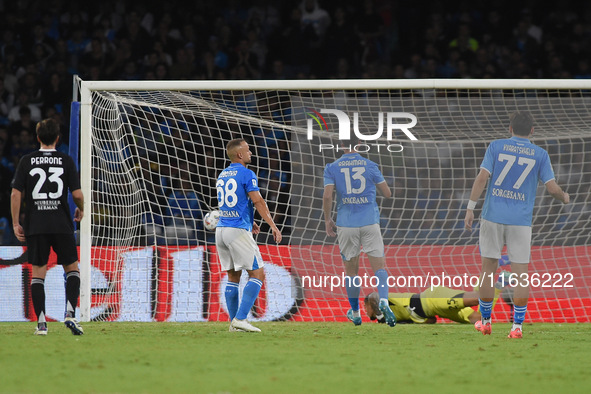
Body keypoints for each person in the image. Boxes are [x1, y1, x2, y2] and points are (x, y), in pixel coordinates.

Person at [464, 111, 569, 339]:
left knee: (488, 272)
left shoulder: (496, 146)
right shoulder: (540, 154)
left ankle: (485, 321)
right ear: (532, 130)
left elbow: (482, 177)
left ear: (509, 128)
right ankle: (517, 327)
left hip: (492, 217)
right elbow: (552, 189)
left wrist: (470, 207)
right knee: (521, 274)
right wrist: (565, 197)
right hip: (520, 222)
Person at [11, 118, 84, 336]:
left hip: (37, 225)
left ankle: (42, 324)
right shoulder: (66, 160)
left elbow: (16, 193)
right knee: (72, 269)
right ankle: (70, 314)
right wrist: (81, 208)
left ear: (38, 137)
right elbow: (78, 194)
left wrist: (15, 222)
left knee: (38, 274)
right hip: (61, 224)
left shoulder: (26, 160)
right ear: (58, 138)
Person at [323, 140, 396, 327]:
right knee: (380, 267)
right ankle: (384, 302)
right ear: (360, 144)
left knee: (351, 272)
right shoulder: (370, 165)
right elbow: (387, 193)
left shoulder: (332, 167)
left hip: (346, 223)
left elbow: (327, 195)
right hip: (370, 221)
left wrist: (327, 219)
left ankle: (355, 313)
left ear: (340, 146)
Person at [216, 138, 282, 332]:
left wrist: (248, 218)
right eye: (248, 150)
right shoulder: (247, 173)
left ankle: (234, 324)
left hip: (222, 229)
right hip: (237, 231)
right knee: (258, 273)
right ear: (239, 154)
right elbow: (258, 201)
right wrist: (273, 226)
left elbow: (231, 202)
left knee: (233, 276)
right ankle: (241, 318)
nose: (251, 152)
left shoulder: (223, 174)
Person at [364, 271, 513, 324]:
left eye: (365, 309)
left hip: (432, 298)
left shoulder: (382, 302)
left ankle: (489, 270)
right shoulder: (390, 319)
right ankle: (499, 284)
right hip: (436, 310)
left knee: (476, 298)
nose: (365, 312)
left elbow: (372, 296)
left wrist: (379, 315)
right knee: (479, 319)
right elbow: (431, 320)